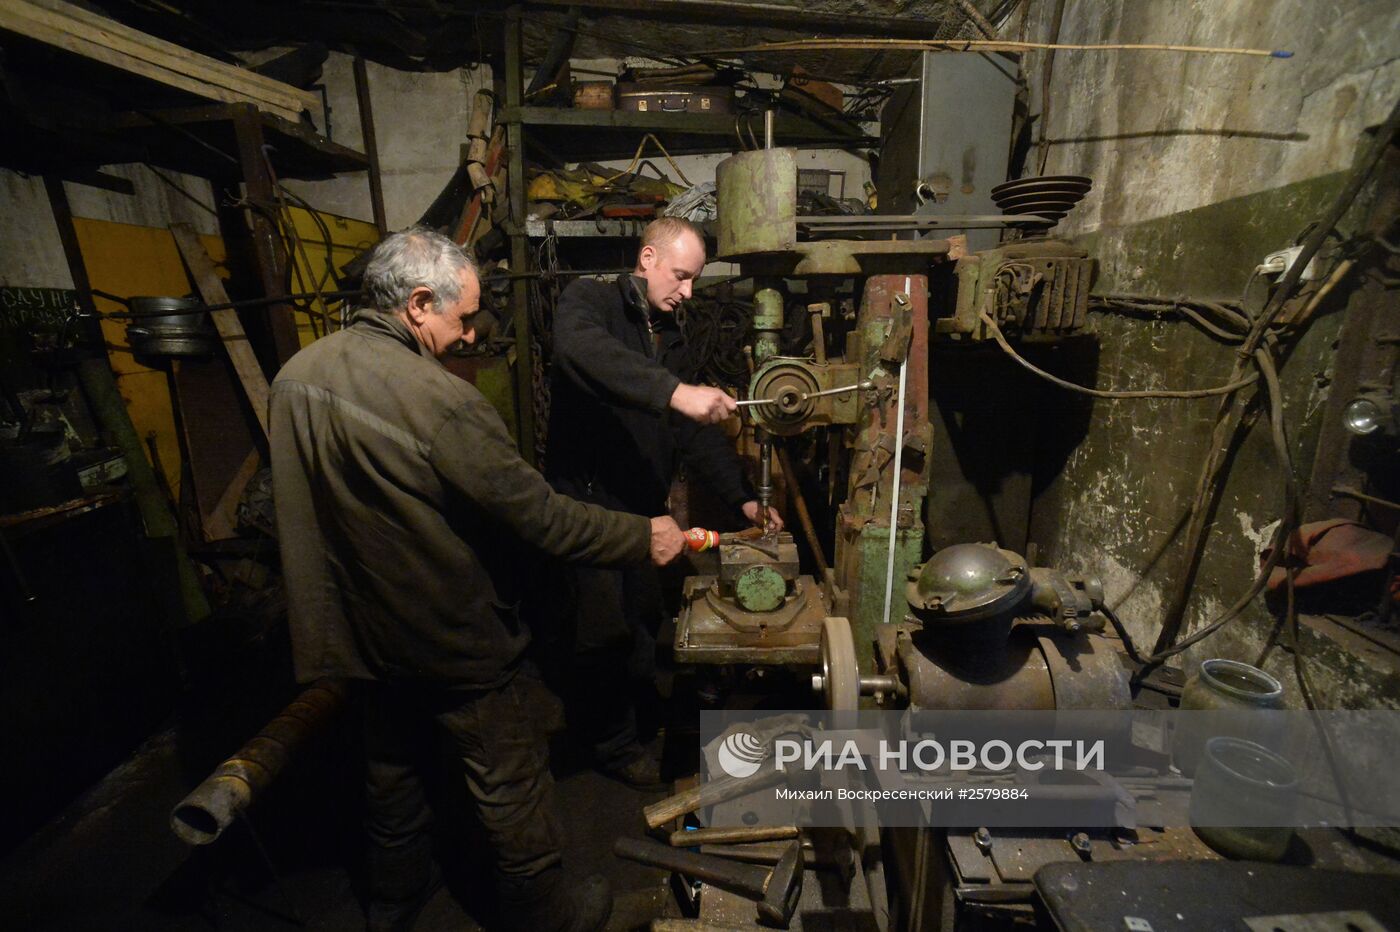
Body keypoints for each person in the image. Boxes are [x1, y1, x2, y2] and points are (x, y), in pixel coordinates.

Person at [269, 226, 687, 932]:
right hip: (447, 634)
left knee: (392, 770)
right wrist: (640, 535)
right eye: (462, 318)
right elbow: (543, 520)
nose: (469, 338)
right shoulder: (443, 404)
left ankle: (395, 898)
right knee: (510, 783)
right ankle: (545, 916)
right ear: (418, 304)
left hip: (355, 632)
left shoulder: (295, 376)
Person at [544, 216, 783, 788]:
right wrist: (677, 391)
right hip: (589, 506)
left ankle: (641, 716)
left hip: (645, 506)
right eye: (681, 276)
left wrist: (744, 501)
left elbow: (692, 432)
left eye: (696, 279)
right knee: (602, 631)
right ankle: (611, 743)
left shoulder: (667, 336)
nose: (688, 291)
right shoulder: (591, 303)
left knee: (644, 618)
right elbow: (579, 351)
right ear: (647, 258)